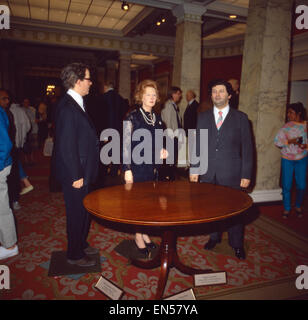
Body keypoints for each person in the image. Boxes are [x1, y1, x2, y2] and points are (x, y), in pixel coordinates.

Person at [190, 79, 253, 260]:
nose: (217, 94)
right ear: (211, 96)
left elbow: (248, 148)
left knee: (234, 211)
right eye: (214, 91)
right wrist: (194, 169)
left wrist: (246, 174)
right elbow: (198, 145)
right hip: (208, 173)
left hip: (232, 172)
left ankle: (236, 244)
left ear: (229, 95)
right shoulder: (202, 117)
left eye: (221, 91)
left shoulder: (241, 118)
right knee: (212, 210)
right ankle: (214, 237)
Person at [53, 63, 100, 267]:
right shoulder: (67, 106)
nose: (91, 83)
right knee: (75, 213)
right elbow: (66, 145)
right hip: (76, 173)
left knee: (84, 210)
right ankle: (74, 253)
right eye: (89, 79)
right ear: (78, 81)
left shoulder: (76, 102)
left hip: (83, 170)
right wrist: (75, 175)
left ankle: (80, 243)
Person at [123, 79, 168, 258]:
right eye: (147, 94)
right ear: (140, 96)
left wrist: (162, 151)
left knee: (150, 204)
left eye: (154, 95)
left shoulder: (157, 118)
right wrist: (127, 169)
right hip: (136, 168)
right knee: (138, 205)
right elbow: (125, 145)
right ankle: (138, 236)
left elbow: (158, 143)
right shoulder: (132, 116)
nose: (151, 97)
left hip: (152, 168)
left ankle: (144, 233)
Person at [274, 102, 307, 218]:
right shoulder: (286, 127)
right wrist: (291, 141)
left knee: (301, 185)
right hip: (287, 159)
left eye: (291, 112)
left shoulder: (305, 126)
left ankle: (298, 205)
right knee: (286, 185)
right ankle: (287, 208)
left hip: (302, 159)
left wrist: (305, 146)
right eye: (288, 112)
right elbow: (277, 142)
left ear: (298, 113)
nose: (288, 115)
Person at [0, 89, 19, 260]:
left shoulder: (3, 113)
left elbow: (5, 143)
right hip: (4, 162)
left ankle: (9, 244)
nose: (6, 101)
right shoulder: (4, 112)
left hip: (1, 164)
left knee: (2, 207)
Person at [161, 86, 183, 180]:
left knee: (173, 159)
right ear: (172, 94)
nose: (180, 96)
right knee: (169, 160)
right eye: (178, 93)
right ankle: (167, 178)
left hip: (175, 136)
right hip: (170, 137)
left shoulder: (174, 105)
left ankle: (170, 177)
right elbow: (167, 122)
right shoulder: (168, 105)